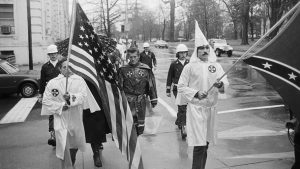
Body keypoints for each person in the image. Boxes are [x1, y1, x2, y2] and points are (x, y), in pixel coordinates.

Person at [176, 25, 228, 169]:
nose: (205, 50)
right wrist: (196, 93)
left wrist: (220, 85)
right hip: (196, 111)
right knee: (199, 145)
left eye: (207, 48)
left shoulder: (215, 66)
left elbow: (225, 83)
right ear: (196, 51)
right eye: (201, 48)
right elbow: (180, 86)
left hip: (211, 110)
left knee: (205, 144)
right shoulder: (190, 67)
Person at [41, 59, 87, 168]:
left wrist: (70, 97)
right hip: (60, 119)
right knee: (63, 144)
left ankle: (72, 161)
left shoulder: (79, 80)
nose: (68, 69)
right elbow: (46, 101)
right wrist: (61, 106)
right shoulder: (53, 83)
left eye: (70, 66)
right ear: (60, 69)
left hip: (75, 118)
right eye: (65, 67)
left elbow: (84, 96)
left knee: (75, 144)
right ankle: (67, 166)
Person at [118, 47, 157, 135]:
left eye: (135, 56)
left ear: (138, 56)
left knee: (139, 127)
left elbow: (151, 85)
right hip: (127, 101)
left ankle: (135, 141)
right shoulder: (122, 70)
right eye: (131, 57)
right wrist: (118, 101)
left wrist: (153, 99)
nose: (133, 59)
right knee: (129, 125)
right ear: (128, 57)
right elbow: (119, 87)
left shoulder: (146, 69)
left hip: (141, 100)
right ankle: (131, 146)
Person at [39, 44, 62, 147]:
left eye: (54, 53)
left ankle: (62, 134)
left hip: (61, 93)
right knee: (52, 113)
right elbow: (42, 81)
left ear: (57, 53)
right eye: (51, 54)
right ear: (48, 55)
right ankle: (52, 136)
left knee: (62, 112)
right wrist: (40, 94)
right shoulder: (45, 67)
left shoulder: (62, 65)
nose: (53, 55)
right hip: (50, 93)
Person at [166, 44, 189, 139]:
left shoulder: (190, 63)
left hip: (188, 89)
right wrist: (168, 90)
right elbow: (169, 77)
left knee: (185, 107)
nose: (183, 55)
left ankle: (179, 121)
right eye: (181, 53)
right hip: (177, 89)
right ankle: (183, 127)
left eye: (184, 53)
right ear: (178, 54)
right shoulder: (174, 64)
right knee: (182, 106)